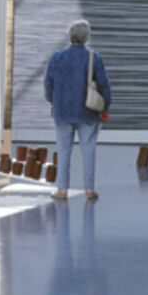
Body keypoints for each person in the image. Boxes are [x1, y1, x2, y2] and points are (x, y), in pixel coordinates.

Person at [44, 19, 111, 201]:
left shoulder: (57, 57)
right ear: (86, 37)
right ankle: (89, 189)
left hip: (62, 112)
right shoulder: (93, 57)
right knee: (89, 150)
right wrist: (105, 107)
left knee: (63, 151)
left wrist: (54, 102)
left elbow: (48, 85)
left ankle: (62, 190)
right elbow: (104, 86)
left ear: (70, 35)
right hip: (88, 112)